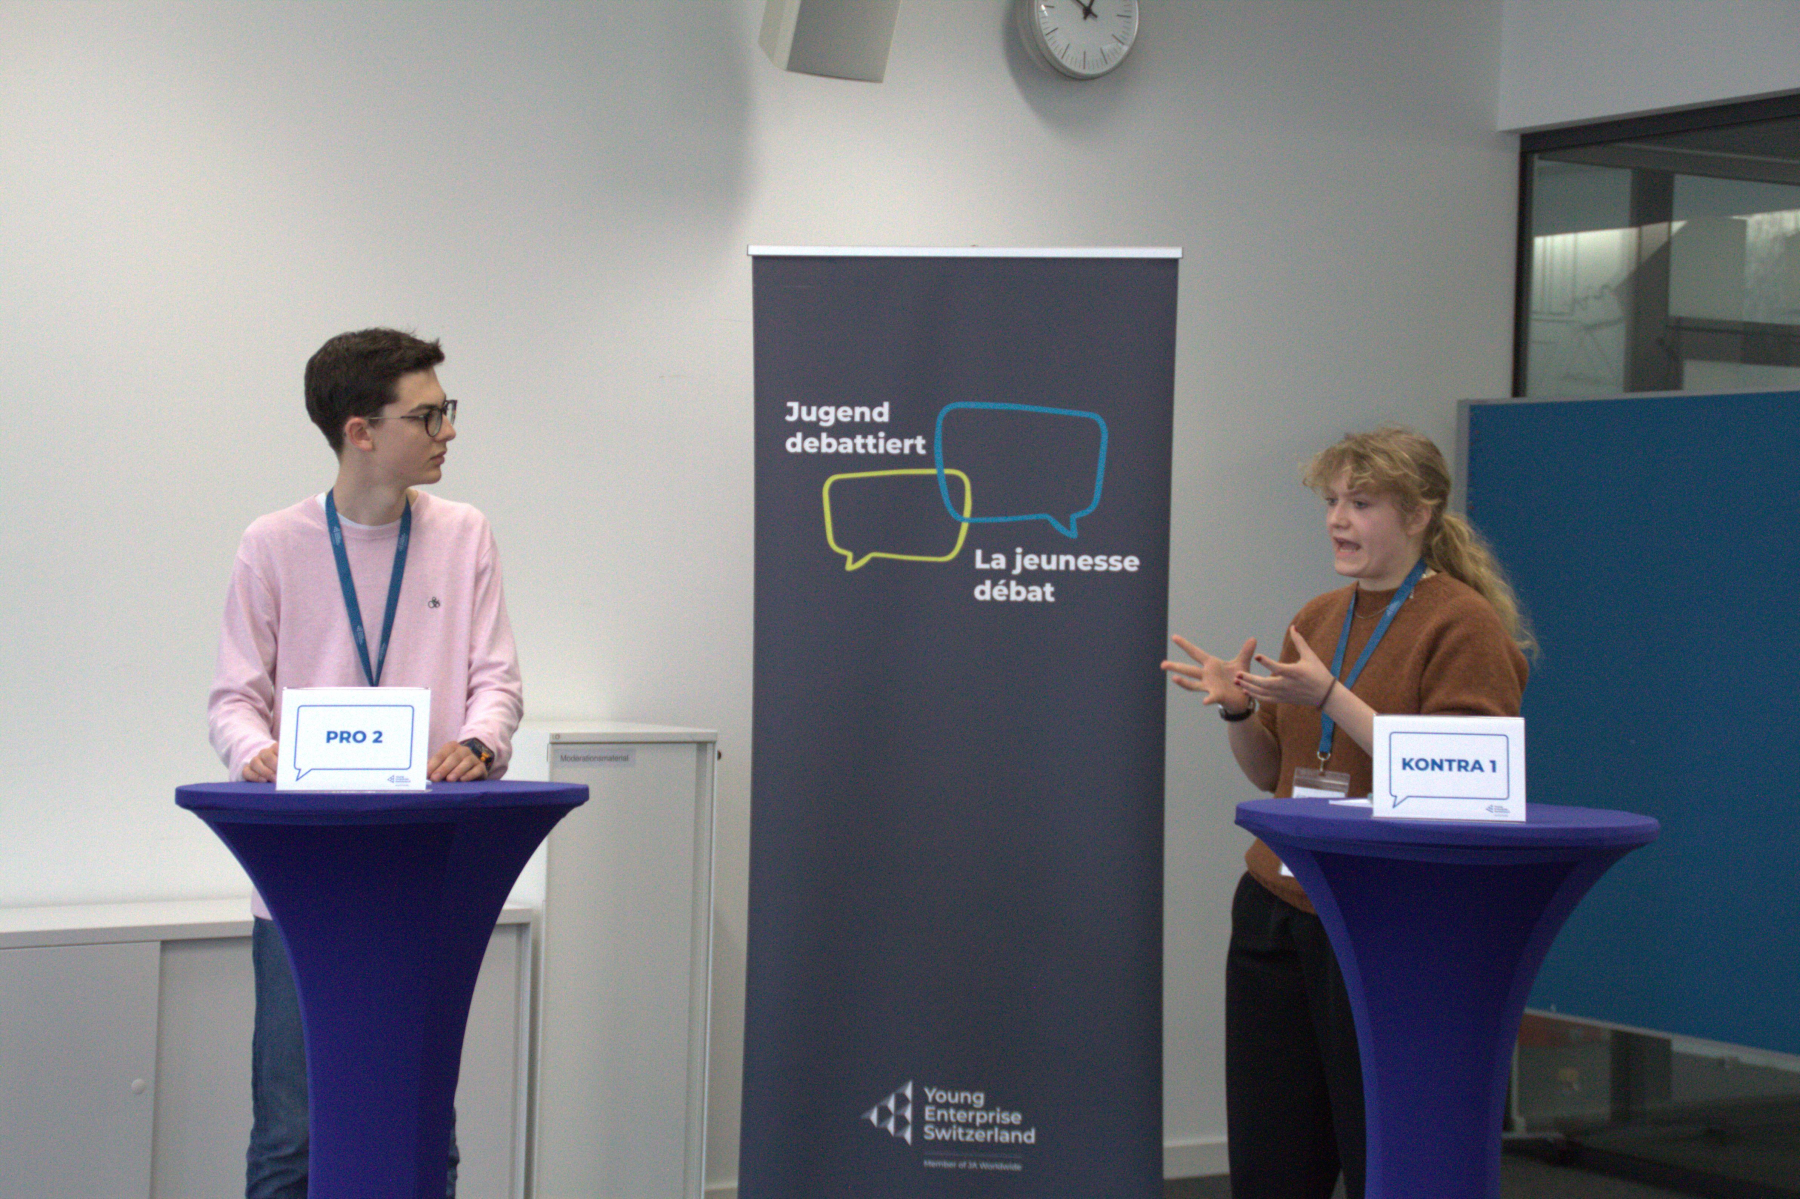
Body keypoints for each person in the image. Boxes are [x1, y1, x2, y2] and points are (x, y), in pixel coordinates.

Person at [1161, 427, 1531, 1199]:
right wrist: (1237, 711)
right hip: (1278, 903)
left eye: (1361, 503)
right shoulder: (1320, 615)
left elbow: (1462, 779)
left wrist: (1331, 696)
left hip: (1378, 917)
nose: (1337, 519)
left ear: (1420, 513)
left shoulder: (1463, 623)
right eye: (1332, 501)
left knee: (1379, 1157)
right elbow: (1276, 773)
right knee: (1271, 1163)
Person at [207, 327, 524, 1199]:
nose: (448, 431)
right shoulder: (273, 543)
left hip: (423, 866)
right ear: (360, 432)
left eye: (446, 410)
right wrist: (256, 753)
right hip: (301, 876)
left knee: (421, 1127)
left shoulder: (464, 535)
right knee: (293, 1133)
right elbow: (233, 699)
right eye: (427, 415)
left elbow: (496, 682)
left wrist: (482, 742)